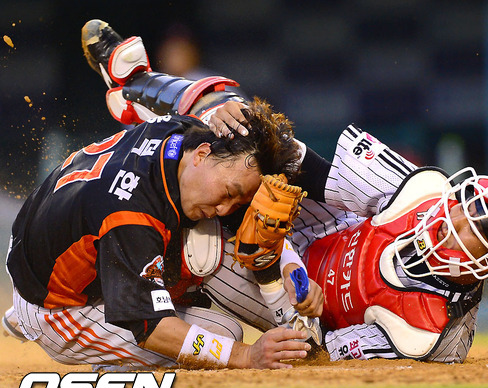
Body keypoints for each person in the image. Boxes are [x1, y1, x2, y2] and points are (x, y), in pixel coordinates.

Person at [5, 20, 488, 365]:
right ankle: (137, 84)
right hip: (312, 229)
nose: (453, 224)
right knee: (255, 132)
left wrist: (274, 271)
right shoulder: (421, 188)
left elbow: (317, 352)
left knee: (220, 305)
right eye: (464, 209)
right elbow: (316, 170)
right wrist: (277, 238)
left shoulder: (429, 335)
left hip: (301, 307)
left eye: (473, 233)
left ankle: (135, 88)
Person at [3, 60, 320, 370]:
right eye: (229, 192)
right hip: (59, 306)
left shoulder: (181, 130)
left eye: (237, 201)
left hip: (59, 238)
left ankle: (117, 288)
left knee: (204, 237)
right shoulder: (131, 215)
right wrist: (246, 356)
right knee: (224, 337)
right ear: (202, 154)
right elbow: (152, 328)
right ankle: (94, 353)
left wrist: (288, 264)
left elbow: (196, 104)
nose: (225, 208)